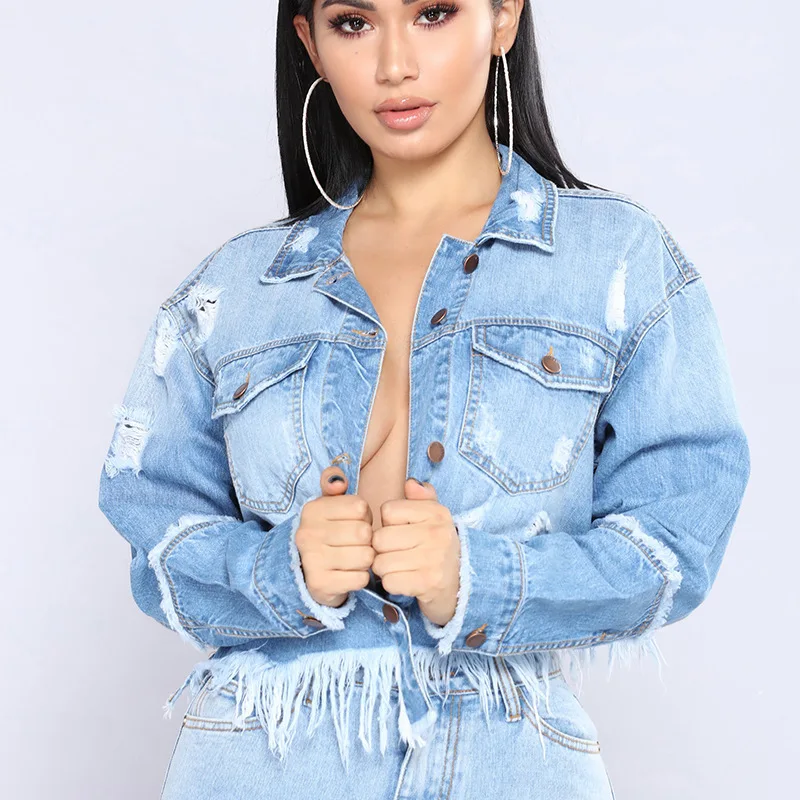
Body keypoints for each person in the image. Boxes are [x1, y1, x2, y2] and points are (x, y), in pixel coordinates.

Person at [97, 1, 751, 798]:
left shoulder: (617, 261)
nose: (394, 65)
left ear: (503, 17)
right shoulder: (232, 292)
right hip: (259, 765)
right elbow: (153, 535)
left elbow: (676, 543)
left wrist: (479, 578)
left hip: (507, 769)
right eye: (353, 23)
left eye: (433, 13)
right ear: (310, 43)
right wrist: (279, 570)